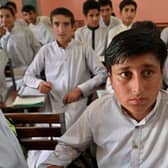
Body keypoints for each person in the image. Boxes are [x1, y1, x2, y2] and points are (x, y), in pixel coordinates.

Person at [39, 29, 168, 168]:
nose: (137, 89)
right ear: (110, 79)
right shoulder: (98, 110)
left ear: (161, 74)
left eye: (148, 73)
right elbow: (69, 145)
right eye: (125, 74)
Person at [23, 7, 107, 129]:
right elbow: (28, 76)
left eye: (66, 24)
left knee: (71, 135)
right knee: (43, 138)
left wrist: (80, 89)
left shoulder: (84, 49)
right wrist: (39, 83)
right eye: (56, 24)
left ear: (73, 27)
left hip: (78, 103)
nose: (61, 30)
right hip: (52, 102)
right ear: (51, 27)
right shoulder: (46, 50)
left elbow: (102, 73)